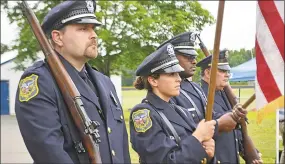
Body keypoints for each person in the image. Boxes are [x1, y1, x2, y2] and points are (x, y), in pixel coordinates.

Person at [15, 1, 130, 163]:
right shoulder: (40, 81)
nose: (94, 35)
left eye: (93, 28)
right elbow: (49, 152)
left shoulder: (105, 82)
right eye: (83, 29)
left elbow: (121, 145)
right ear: (58, 37)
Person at [129, 43, 217, 163]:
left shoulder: (182, 111)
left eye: (178, 74)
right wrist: (198, 136)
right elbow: (164, 160)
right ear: (153, 80)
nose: (179, 79)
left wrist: (207, 155)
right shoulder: (143, 114)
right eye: (171, 74)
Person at [157, 32, 244, 136]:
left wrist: (233, 115)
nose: (194, 61)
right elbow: (180, 131)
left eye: (194, 57)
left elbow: (211, 117)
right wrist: (218, 124)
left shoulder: (195, 88)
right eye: (188, 57)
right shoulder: (168, 92)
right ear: (172, 58)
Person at [197, 51, 261, 163]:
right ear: (207, 73)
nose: (227, 74)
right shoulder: (200, 96)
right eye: (222, 71)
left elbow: (236, 131)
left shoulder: (223, 93)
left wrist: (249, 154)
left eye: (227, 71)